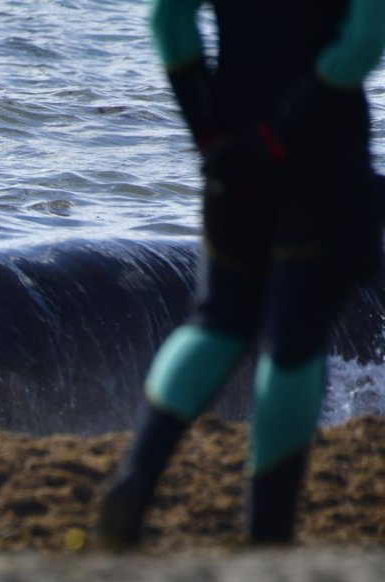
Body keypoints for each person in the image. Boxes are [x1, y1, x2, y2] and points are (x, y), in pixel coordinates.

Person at [98, 0, 385, 549]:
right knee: (294, 344)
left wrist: (210, 137)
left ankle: (135, 478)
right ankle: (267, 529)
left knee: (218, 320)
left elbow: (168, 24)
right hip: (320, 154)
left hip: (231, 148)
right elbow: (363, 43)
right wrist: (282, 133)